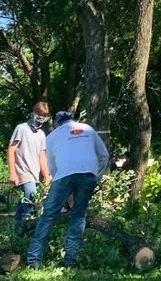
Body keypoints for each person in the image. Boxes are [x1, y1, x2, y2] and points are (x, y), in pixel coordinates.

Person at [27, 110, 109, 270]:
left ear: (57, 123)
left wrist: (64, 189)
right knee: (78, 216)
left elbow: (52, 166)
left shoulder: (51, 137)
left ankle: (34, 259)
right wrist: (95, 176)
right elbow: (104, 156)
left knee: (48, 216)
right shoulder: (88, 129)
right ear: (74, 119)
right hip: (88, 175)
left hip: (63, 176)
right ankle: (71, 259)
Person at [7, 101, 51, 225]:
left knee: (25, 205)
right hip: (23, 173)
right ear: (33, 114)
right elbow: (11, 149)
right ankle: (26, 231)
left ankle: (17, 231)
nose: (40, 121)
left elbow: (42, 155)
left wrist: (46, 175)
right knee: (30, 202)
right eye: (38, 118)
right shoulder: (21, 128)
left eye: (43, 119)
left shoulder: (41, 135)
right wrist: (12, 173)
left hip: (35, 175)